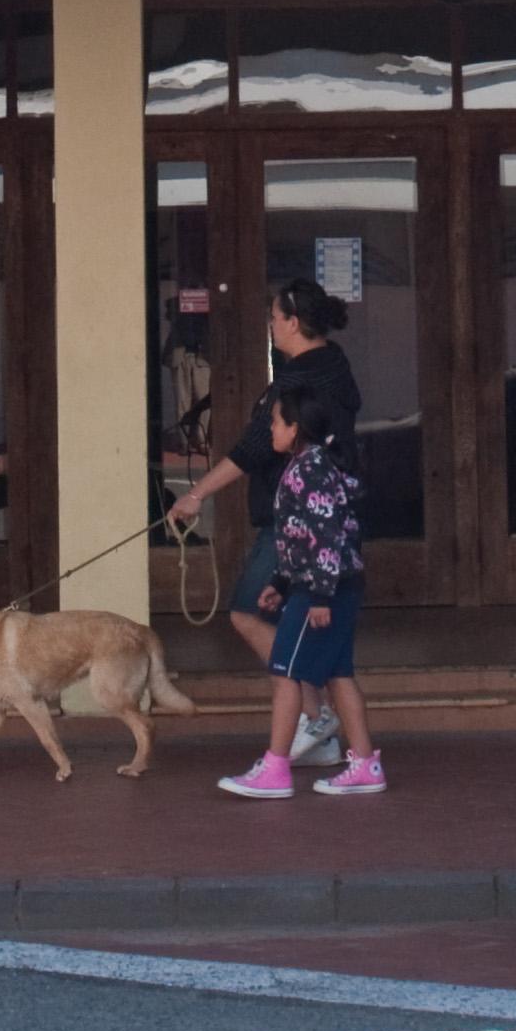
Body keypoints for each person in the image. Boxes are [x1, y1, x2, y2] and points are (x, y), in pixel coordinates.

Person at [161, 277, 362, 768]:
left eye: (274, 317)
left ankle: (314, 720)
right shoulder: (331, 366)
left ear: (293, 321)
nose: (270, 325)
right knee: (310, 640)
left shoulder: (298, 381)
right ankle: (328, 736)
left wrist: (194, 496)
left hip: (296, 522)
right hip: (315, 520)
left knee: (247, 614)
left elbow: (254, 447)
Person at [218, 383, 380, 799]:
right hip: (328, 585)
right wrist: (279, 582)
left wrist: (319, 596)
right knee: (338, 673)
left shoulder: (308, 470)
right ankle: (364, 764)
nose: (269, 429)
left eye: (274, 422)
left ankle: (275, 768)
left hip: (321, 591)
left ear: (295, 429)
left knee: (286, 672)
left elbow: (324, 537)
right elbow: (300, 538)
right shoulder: (314, 465)